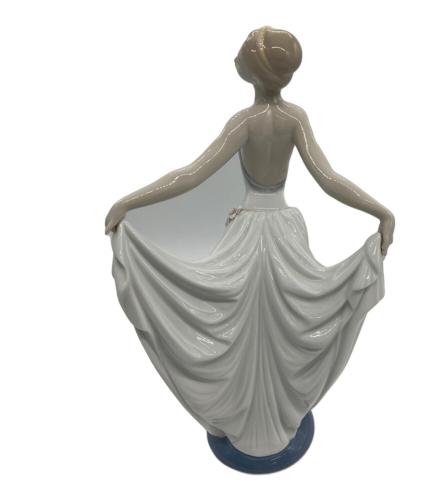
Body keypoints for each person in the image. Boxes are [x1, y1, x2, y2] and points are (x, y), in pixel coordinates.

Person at [105, 26, 395, 458]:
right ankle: (277, 412)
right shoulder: (294, 119)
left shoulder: (244, 122)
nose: (236, 59)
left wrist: (128, 202)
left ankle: (248, 417)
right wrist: (381, 211)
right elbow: (329, 179)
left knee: (243, 326)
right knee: (283, 329)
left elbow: (191, 174)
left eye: (242, 54)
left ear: (255, 72)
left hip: (248, 233)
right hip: (283, 231)